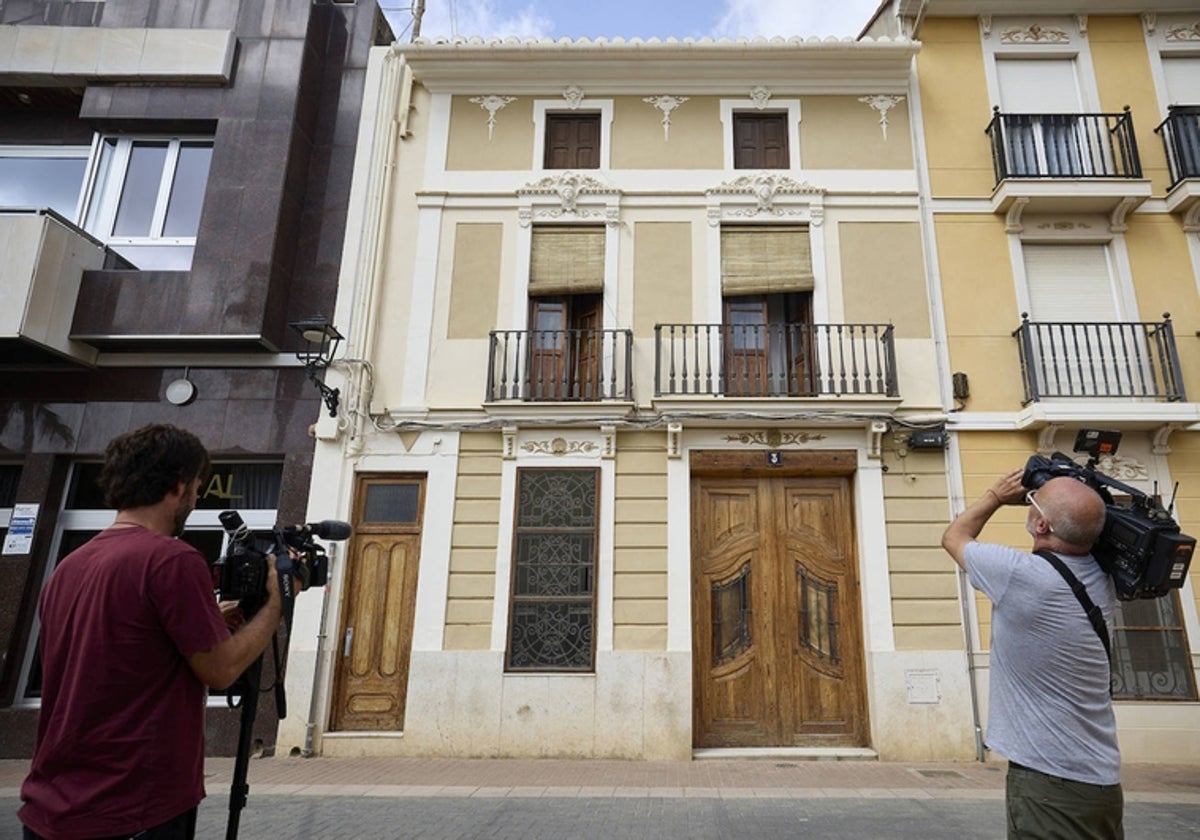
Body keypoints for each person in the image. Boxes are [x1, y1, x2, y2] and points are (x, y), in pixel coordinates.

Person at [19, 424, 287, 840]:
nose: (196, 500)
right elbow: (221, 670)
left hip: (52, 806)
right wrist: (275, 606)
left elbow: (120, 645)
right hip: (133, 806)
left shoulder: (70, 566)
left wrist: (207, 617)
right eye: (198, 487)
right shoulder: (171, 560)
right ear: (179, 486)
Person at [941, 467, 1123, 839]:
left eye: (1033, 503)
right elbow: (1081, 523)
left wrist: (995, 495)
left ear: (1042, 526)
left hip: (1051, 784)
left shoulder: (1019, 575)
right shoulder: (1103, 577)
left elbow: (954, 536)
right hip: (1102, 781)